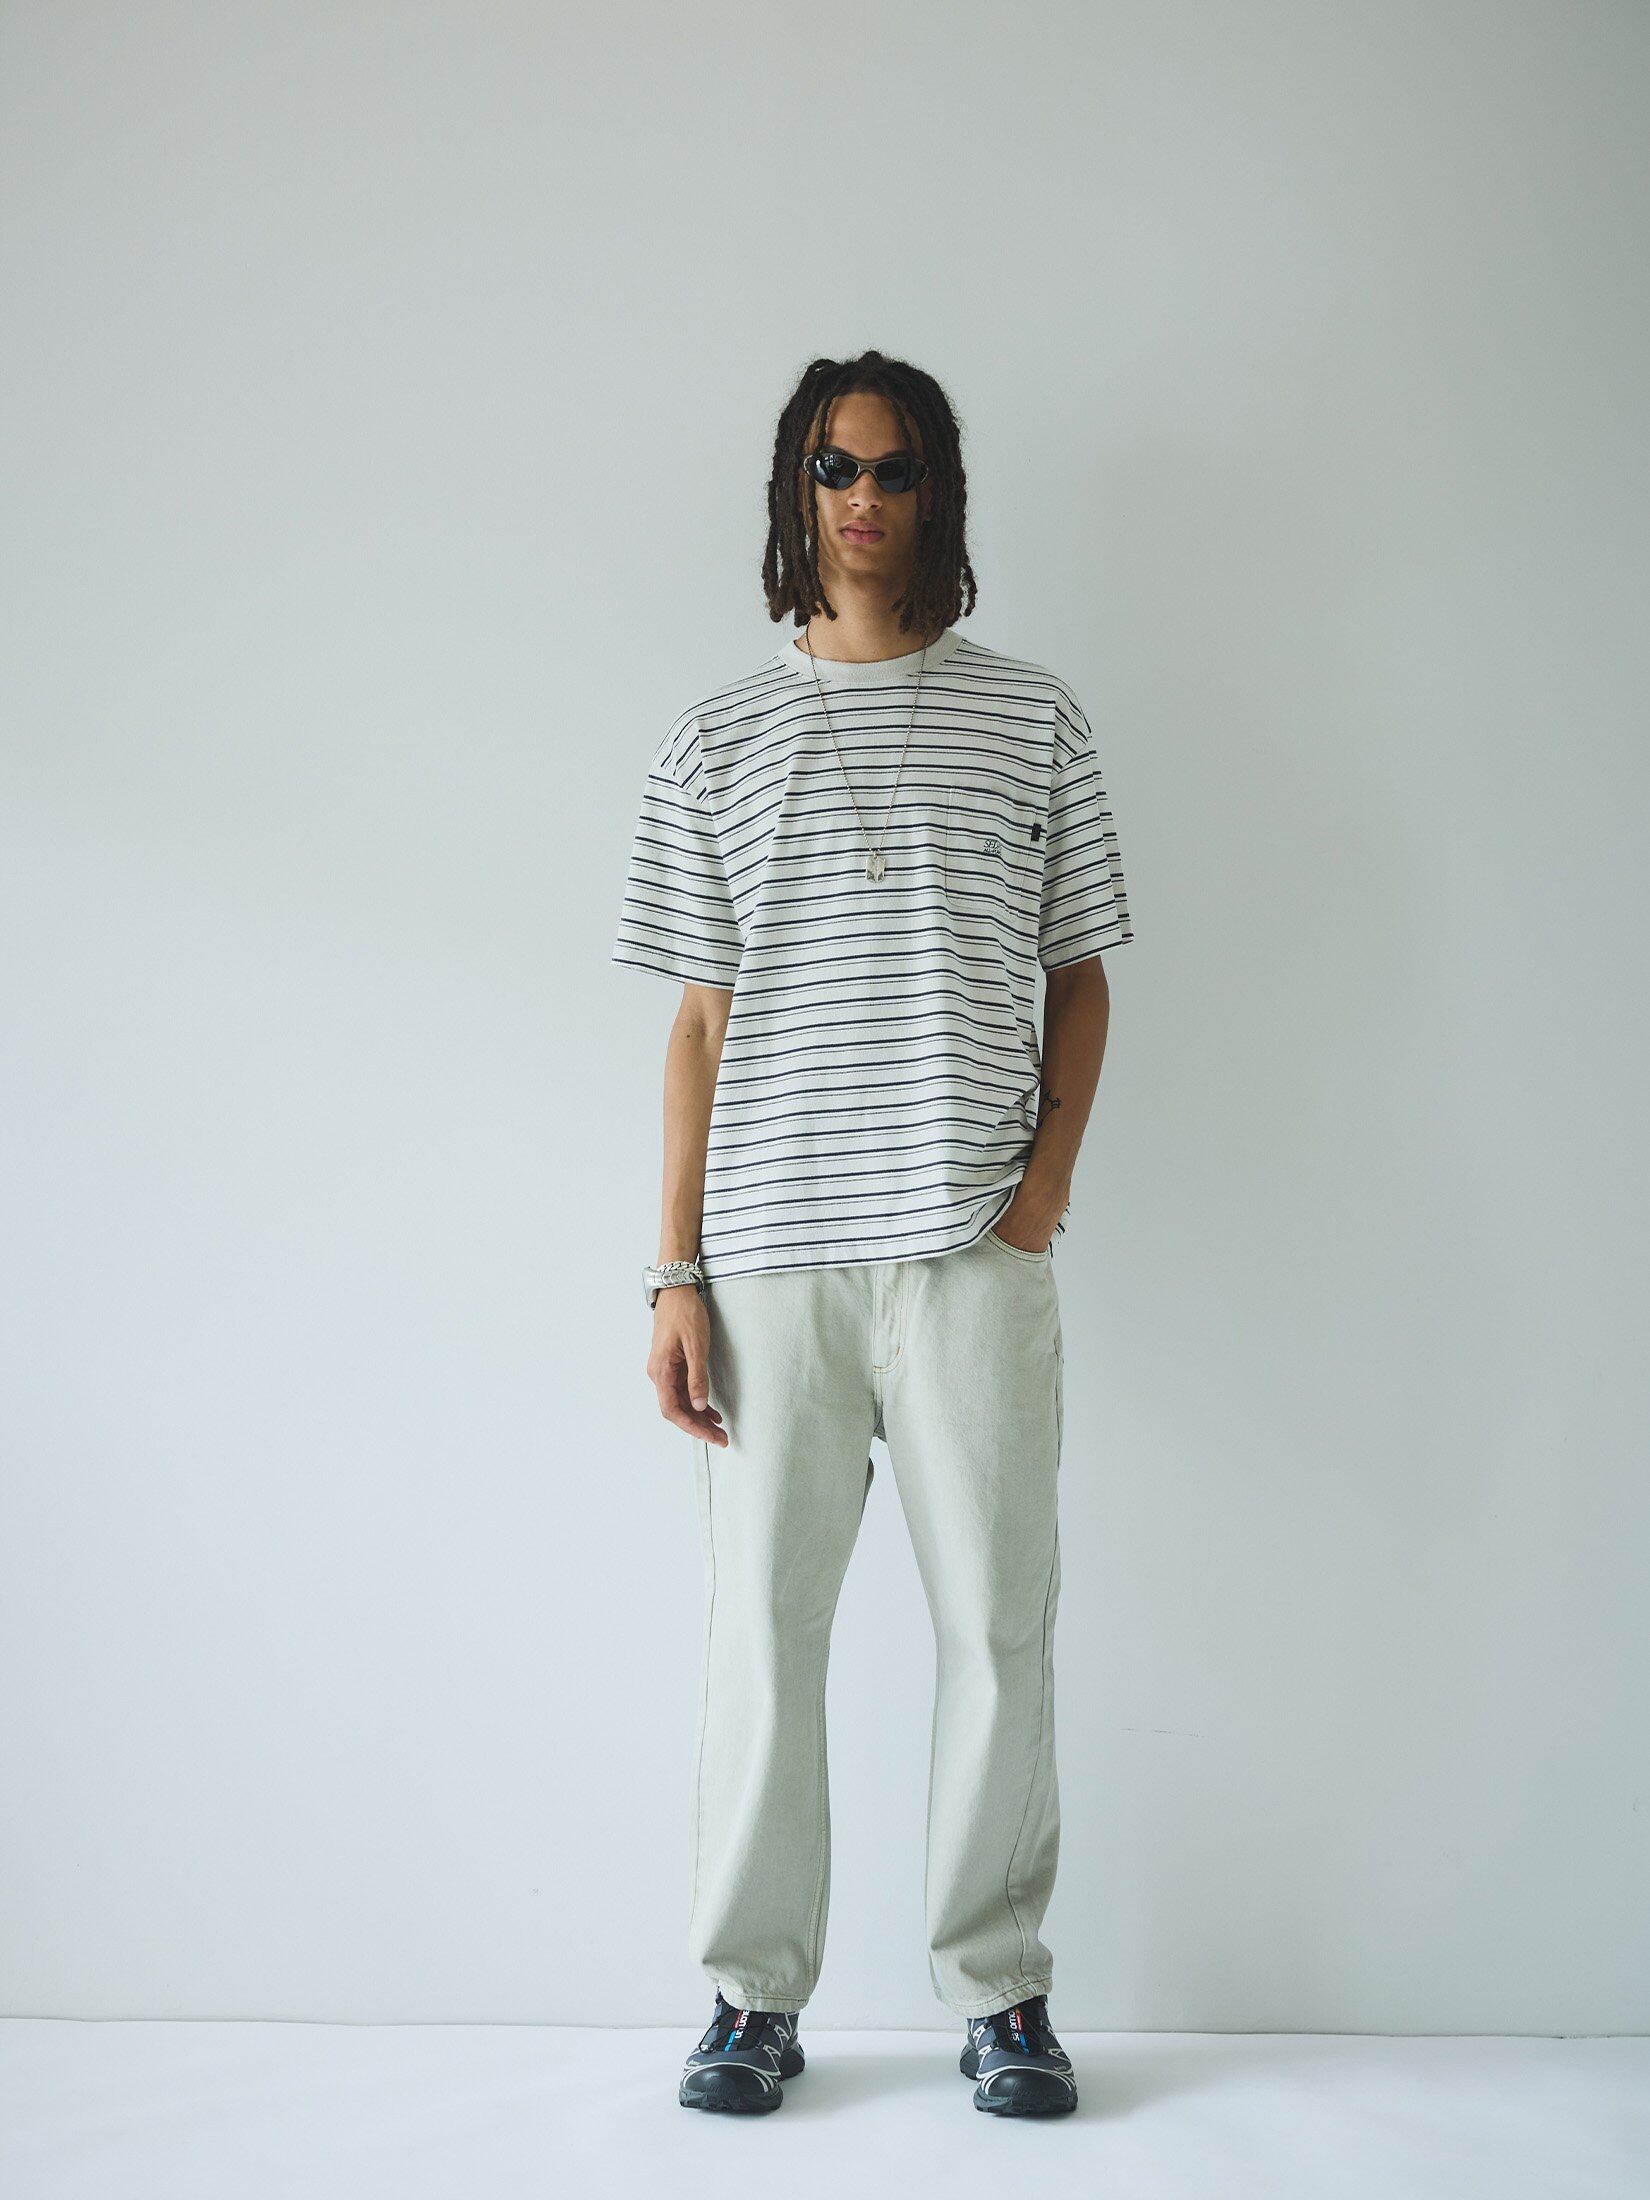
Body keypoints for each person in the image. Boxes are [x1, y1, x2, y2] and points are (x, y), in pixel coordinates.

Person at [611, 349, 1133, 2118]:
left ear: (937, 493)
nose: (861, 498)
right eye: (833, 468)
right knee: (764, 1638)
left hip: (972, 1251)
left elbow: (1080, 975)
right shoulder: (715, 736)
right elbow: (697, 1026)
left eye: (894, 469)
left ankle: (1000, 1994)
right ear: (795, 489)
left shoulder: (1032, 716)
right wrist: (674, 1275)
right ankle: (750, 2000)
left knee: (996, 1627)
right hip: (771, 1261)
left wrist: (1040, 1190)